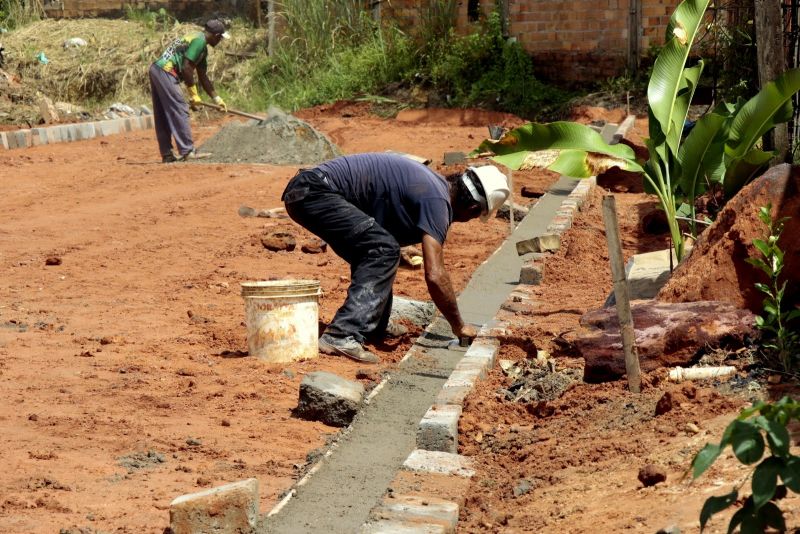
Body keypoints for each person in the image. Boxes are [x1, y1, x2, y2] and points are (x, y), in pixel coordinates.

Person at [282, 152, 510, 363]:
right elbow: (435, 274)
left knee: (379, 249)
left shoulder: (434, 186)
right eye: (473, 217)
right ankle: (342, 334)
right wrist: (459, 326)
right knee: (384, 250)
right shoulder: (437, 201)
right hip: (315, 193)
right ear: (471, 208)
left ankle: (373, 325)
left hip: (309, 189)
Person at [148, 18, 229, 163]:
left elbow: (202, 76)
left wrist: (217, 99)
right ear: (216, 36)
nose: (221, 41)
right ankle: (187, 151)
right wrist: (194, 94)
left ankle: (167, 154)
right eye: (221, 38)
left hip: (157, 69)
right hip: (166, 71)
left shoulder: (199, 43)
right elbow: (186, 68)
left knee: (162, 114)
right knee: (180, 109)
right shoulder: (199, 42)